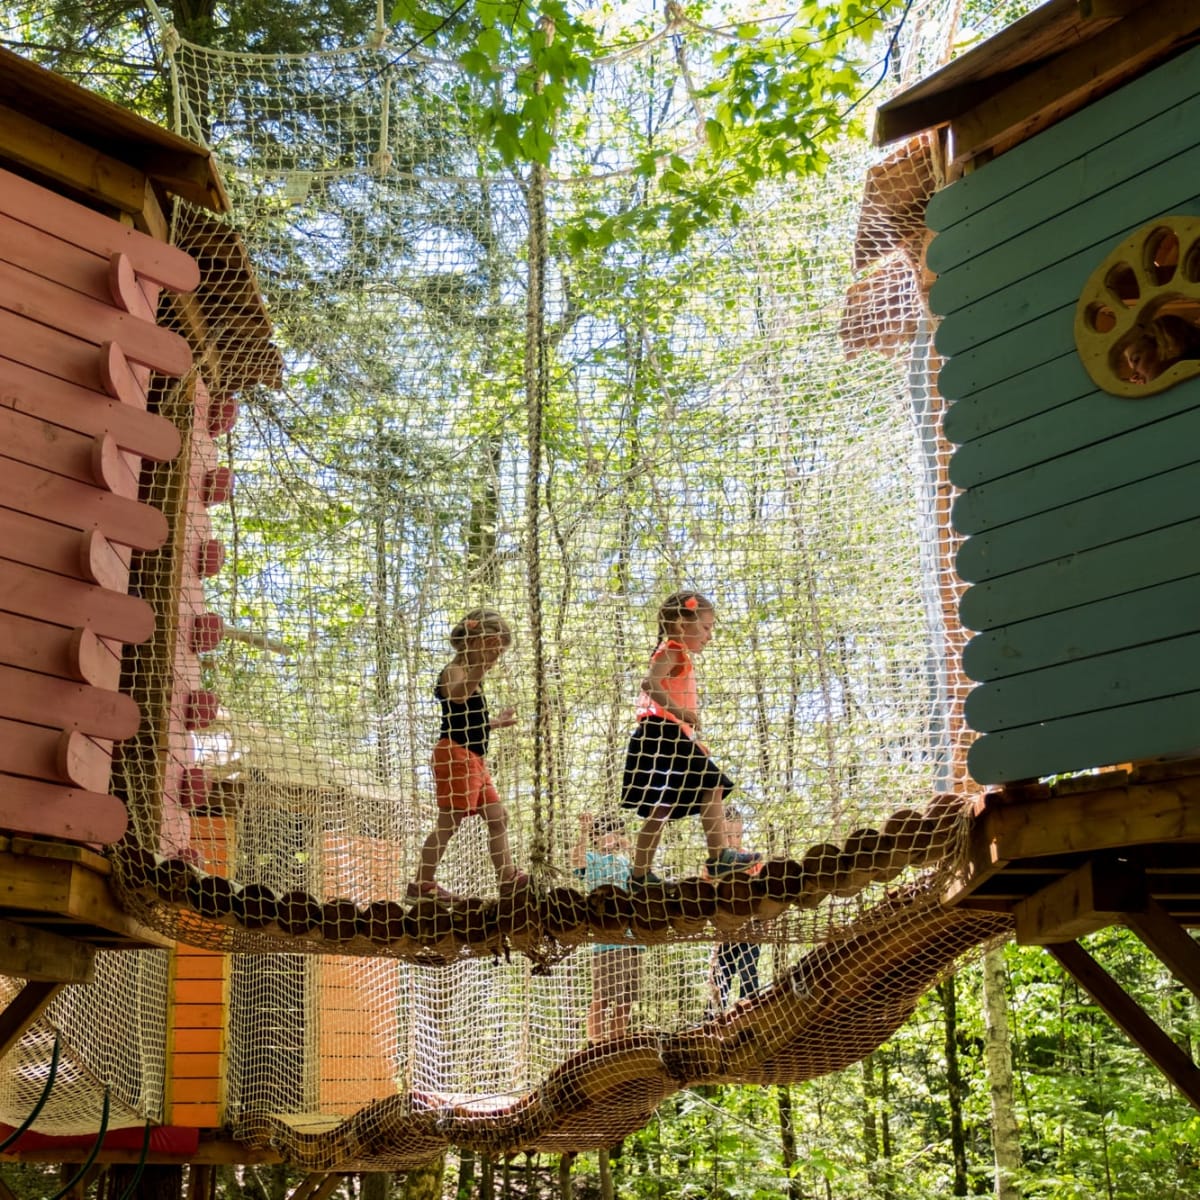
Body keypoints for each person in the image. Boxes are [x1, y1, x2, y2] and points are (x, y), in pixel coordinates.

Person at [620, 590, 758, 886]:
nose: (709, 635)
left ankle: (640, 875)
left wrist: (690, 738)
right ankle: (719, 857)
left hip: (665, 737)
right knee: (714, 784)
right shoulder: (672, 649)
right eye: (706, 627)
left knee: (661, 808)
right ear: (683, 624)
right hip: (661, 735)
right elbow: (650, 684)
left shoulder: (674, 652)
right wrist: (680, 712)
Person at [408, 608, 526, 900]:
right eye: (492, 646)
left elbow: (466, 719)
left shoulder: (476, 676)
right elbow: (457, 694)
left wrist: (495, 723)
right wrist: (480, 668)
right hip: (455, 755)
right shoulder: (455, 670)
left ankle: (507, 878)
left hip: (475, 758)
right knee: (450, 820)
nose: (497, 653)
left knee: (498, 817)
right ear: (473, 641)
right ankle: (421, 883)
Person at [571, 812, 643, 1042]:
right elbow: (576, 861)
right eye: (605, 833)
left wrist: (628, 846)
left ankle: (616, 1042)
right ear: (597, 837)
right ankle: (597, 1043)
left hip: (633, 940)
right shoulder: (592, 859)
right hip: (607, 940)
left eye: (616, 832)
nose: (611, 837)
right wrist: (583, 830)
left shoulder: (624, 862)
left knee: (627, 998)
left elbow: (642, 875)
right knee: (603, 996)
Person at [704, 807, 762, 1016]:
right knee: (722, 972)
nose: (733, 841)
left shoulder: (751, 860)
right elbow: (706, 890)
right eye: (728, 836)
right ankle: (712, 1016)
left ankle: (749, 1012)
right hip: (726, 929)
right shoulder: (716, 863)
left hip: (751, 927)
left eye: (738, 835)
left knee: (748, 969)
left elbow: (763, 891)